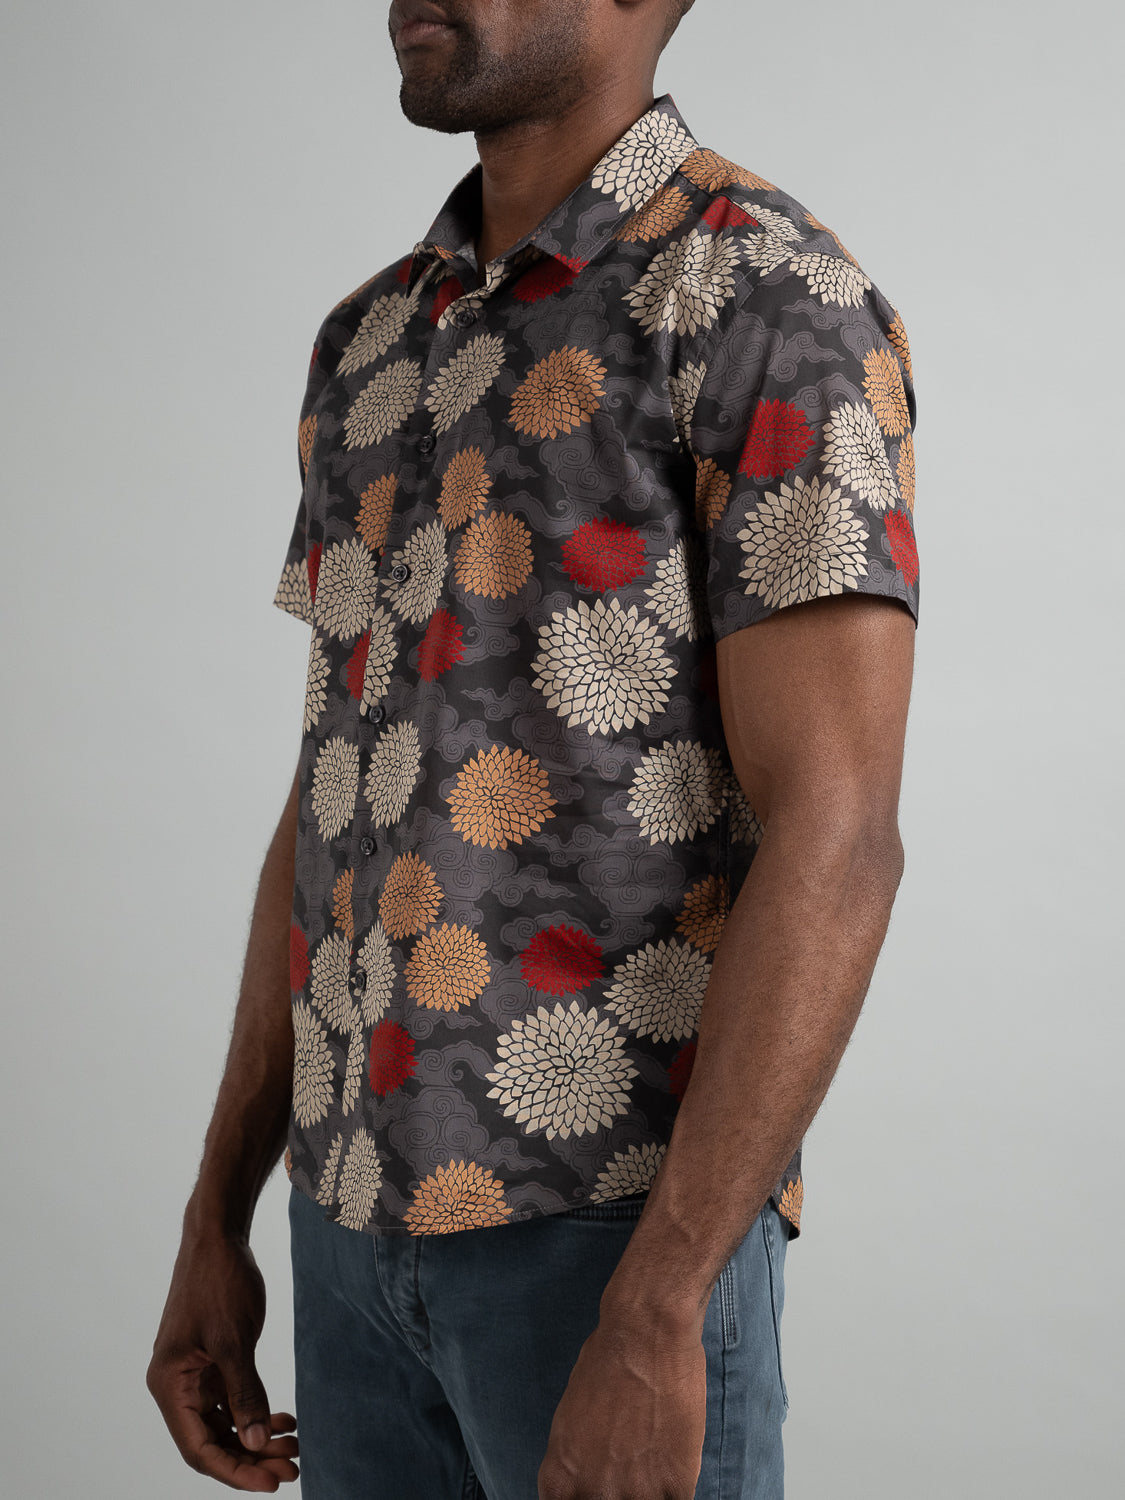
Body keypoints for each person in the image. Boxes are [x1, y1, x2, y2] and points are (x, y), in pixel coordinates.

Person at [146, 1, 919, 1496]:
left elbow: (838, 833)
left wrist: (662, 1303)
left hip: (603, 1235)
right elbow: (335, 795)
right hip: (344, 1230)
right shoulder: (370, 339)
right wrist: (215, 1215)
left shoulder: (765, 293)